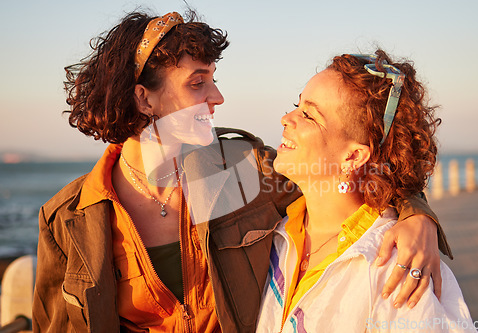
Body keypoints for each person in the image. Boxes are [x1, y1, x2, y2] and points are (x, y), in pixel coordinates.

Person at [32, 10, 450, 333]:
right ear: (144, 99)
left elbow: (344, 171)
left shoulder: (239, 170)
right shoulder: (69, 219)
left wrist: (416, 216)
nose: (218, 96)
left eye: (213, 79)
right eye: (198, 83)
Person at [256, 51, 475, 332]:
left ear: (354, 156)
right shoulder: (272, 230)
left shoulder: (397, 266)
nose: (286, 117)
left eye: (308, 115)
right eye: (296, 105)